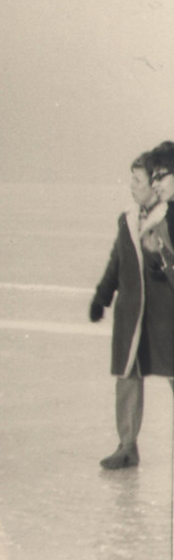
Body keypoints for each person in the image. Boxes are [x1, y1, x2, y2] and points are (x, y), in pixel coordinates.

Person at [90, 147, 174, 469]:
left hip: (165, 316)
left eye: (138, 180)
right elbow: (117, 261)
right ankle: (127, 446)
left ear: (154, 184)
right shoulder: (126, 220)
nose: (132, 186)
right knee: (128, 376)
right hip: (132, 315)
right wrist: (102, 296)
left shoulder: (168, 218)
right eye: (132, 180)